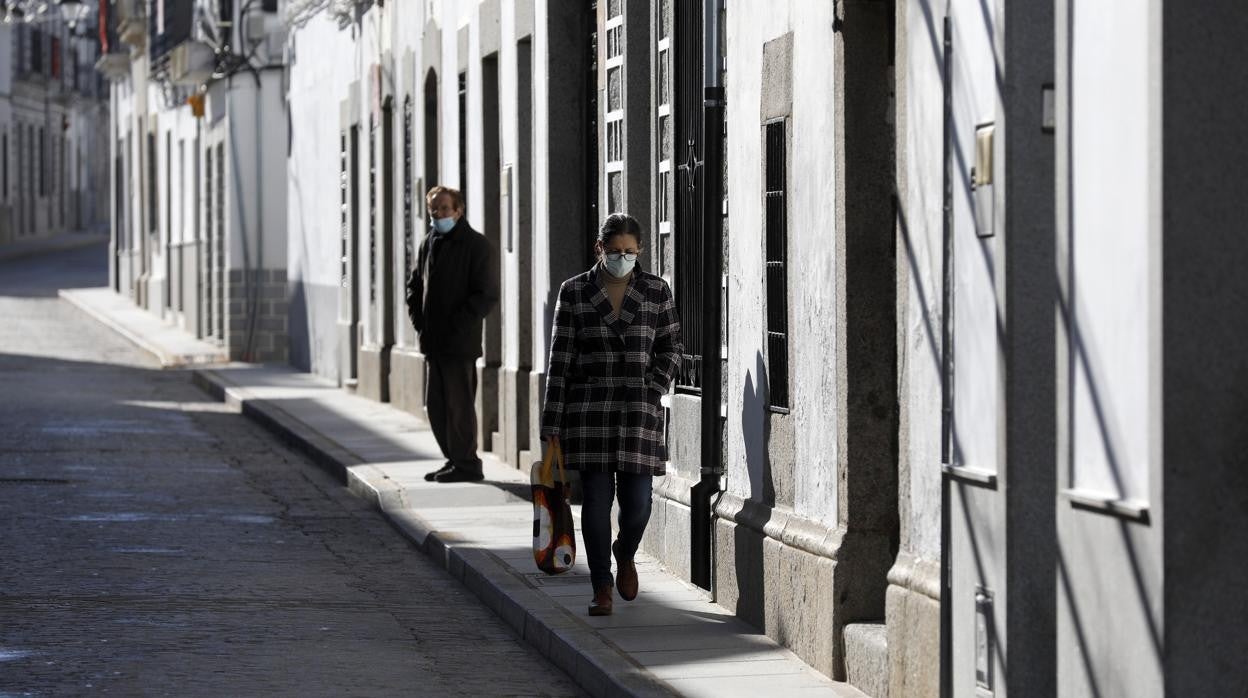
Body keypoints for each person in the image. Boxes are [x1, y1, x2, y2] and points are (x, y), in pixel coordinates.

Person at [540, 213, 683, 616]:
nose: (623, 258)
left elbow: (671, 347)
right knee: (597, 503)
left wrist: (653, 390)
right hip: (590, 412)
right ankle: (601, 585)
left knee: (638, 503)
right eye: (616, 251)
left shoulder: (656, 291)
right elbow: (561, 361)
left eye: (630, 252)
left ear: (639, 252)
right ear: (599, 248)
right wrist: (552, 426)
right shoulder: (575, 292)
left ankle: (626, 551)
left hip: (639, 411)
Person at [406, 186, 499, 483]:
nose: (438, 215)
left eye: (444, 208)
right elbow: (414, 287)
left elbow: (486, 295)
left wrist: (457, 324)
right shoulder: (429, 243)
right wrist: (419, 322)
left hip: (460, 343)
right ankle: (454, 459)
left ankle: (467, 463)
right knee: (436, 406)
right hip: (433, 342)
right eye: (433, 209)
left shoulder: (476, 245)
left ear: (458, 210)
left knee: (459, 406)